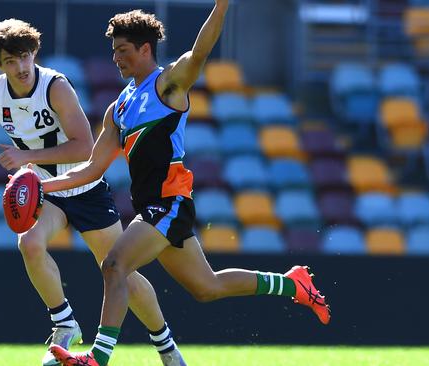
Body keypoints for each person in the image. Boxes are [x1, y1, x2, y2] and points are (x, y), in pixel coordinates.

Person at [44, 2, 331, 365]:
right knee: (206, 288)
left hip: (168, 201)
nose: (116, 58)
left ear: (145, 49)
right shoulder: (118, 108)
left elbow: (200, 51)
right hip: (152, 206)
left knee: (114, 264)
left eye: (123, 50)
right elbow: (90, 169)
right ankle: (294, 284)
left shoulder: (168, 83)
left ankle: (98, 358)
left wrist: (221, 7)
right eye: (114, 51)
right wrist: (44, 188)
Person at [0, 18, 187, 366]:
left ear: (34, 53)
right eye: (11, 61)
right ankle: (64, 324)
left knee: (122, 274)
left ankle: (166, 346)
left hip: (83, 187)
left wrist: (27, 157)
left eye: (25, 56)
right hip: (47, 191)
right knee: (29, 243)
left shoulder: (54, 86)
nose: (21, 67)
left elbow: (84, 147)